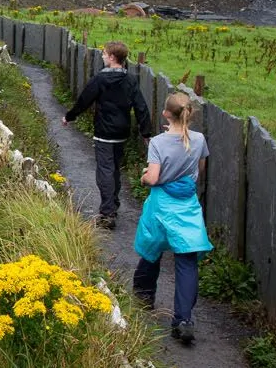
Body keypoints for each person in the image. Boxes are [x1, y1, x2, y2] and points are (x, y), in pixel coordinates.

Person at [133, 92, 212, 343]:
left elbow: (154, 178)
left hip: (161, 205)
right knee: (187, 259)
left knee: (152, 247)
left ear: (167, 113)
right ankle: (183, 319)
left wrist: (144, 175)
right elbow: (199, 170)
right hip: (187, 205)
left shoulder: (157, 142)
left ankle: (144, 296)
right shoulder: (198, 139)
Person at [61, 40, 154, 227]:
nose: (102, 56)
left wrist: (70, 117)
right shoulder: (129, 80)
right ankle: (114, 203)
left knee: (104, 170)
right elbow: (141, 107)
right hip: (122, 132)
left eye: (104, 53)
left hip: (104, 132)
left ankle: (107, 213)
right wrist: (146, 132)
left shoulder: (100, 79)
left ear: (112, 57)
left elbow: (84, 100)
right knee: (115, 170)